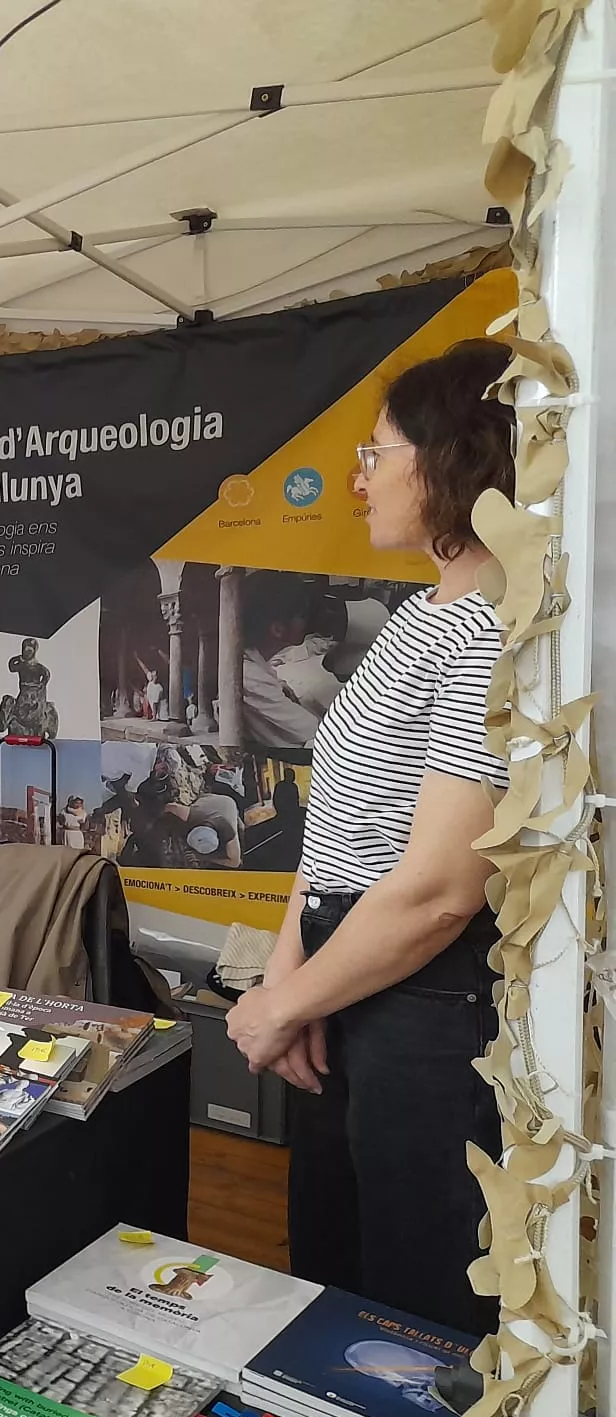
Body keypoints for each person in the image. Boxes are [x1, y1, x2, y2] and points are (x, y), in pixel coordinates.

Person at [226, 339, 515, 1335]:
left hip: (423, 996)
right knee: (329, 1270)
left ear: (452, 462)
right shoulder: (418, 616)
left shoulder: (490, 632)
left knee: (410, 1302)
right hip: (346, 967)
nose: (359, 476)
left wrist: (283, 1002)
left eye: (377, 451)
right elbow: (341, 817)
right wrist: (290, 976)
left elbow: (440, 889)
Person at [237, 572, 322, 748]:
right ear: (277, 629)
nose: (307, 622)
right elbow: (315, 731)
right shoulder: (249, 677)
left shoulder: (256, 666)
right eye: (302, 616)